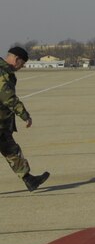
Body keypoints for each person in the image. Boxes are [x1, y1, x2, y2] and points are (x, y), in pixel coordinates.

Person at [1, 46, 50, 192]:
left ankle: (29, 179)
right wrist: (24, 114)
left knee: (11, 150)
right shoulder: (2, 72)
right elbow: (6, 96)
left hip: (1, 123)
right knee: (10, 149)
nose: (21, 68)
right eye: (22, 65)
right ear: (16, 60)